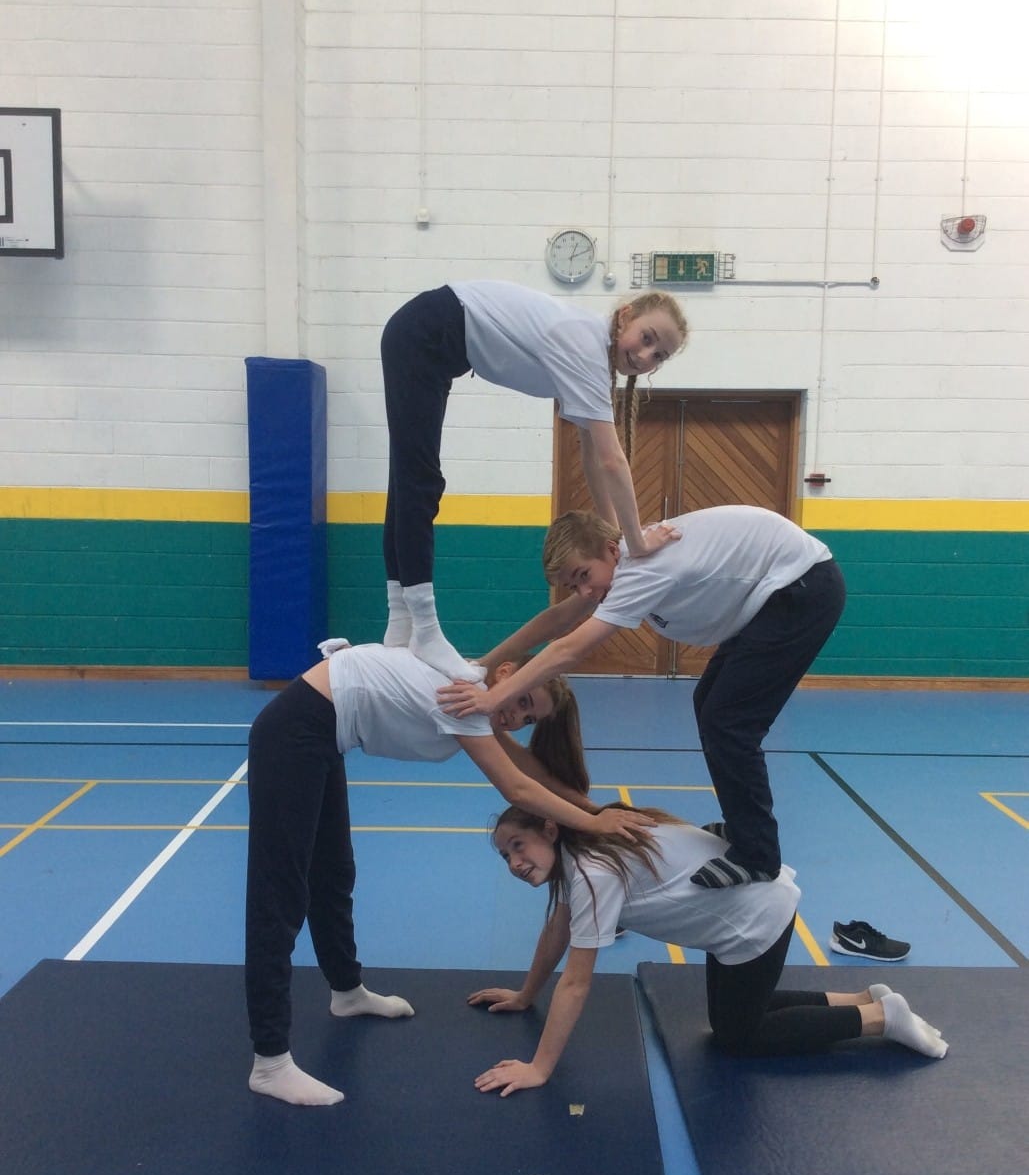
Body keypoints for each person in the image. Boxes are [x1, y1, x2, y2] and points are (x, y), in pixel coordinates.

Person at [245, 640, 654, 1107]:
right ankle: (271, 1063)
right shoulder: (463, 693)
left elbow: (527, 766)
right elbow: (517, 785)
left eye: (529, 718)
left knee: (334, 874)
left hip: (323, 737)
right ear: (505, 674)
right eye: (521, 700)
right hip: (293, 732)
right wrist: (594, 822)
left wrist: (594, 808)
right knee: (277, 898)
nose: (517, 719)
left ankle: (347, 990)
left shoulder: (481, 705)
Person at [440, 504, 847, 889]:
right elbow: (557, 619)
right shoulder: (621, 563)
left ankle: (758, 855)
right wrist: (482, 665)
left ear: (610, 550)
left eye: (583, 576)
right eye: (572, 584)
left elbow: (568, 649)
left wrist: (491, 700)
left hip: (800, 590)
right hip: (780, 590)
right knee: (709, 705)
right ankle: (745, 829)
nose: (583, 591)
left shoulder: (642, 571)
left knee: (729, 723)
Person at [468, 806, 947, 1099]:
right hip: (745, 910)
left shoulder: (593, 871)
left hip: (752, 917)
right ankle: (863, 997)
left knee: (740, 1034)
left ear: (550, 829)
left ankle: (881, 1018)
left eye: (518, 845)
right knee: (735, 1016)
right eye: (505, 856)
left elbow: (576, 980)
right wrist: (526, 994)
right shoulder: (585, 848)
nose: (514, 862)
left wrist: (539, 1067)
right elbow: (557, 928)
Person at [379, 282, 688, 681]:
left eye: (658, 355)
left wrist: (616, 535)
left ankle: (399, 623)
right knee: (419, 482)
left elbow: (593, 457)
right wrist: (640, 542)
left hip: (432, 340)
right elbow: (613, 460)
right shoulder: (585, 345)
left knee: (408, 481)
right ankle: (424, 628)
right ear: (625, 315)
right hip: (428, 331)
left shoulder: (591, 357)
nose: (645, 356)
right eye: (646, 338)